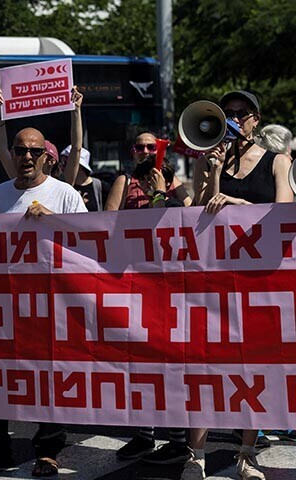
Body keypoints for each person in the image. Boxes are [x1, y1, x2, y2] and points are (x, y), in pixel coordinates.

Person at [0, 127, 86, 477]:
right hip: (6, 300)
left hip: (50, 301)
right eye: (20, 151)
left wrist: (54, 220)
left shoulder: (63, 193)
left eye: (34, 151)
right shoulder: (1, 193)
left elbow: (88, 240)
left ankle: (48, 450)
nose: (26, 157)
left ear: (47, 156)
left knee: (48, 376)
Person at [184, 90, 292, 480]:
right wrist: (212, 175)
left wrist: (238, 205)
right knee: (205, 365)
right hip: (213, 280)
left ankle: (247, 454)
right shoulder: (208, 160)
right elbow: (194, 217)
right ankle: (195, 454)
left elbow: (283, 212)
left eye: (240, 114)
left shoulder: (278, 161)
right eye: (225, 113)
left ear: (255, 120)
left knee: (255, 366)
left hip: (260, 280)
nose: (232, 119)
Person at [105, 132, 192, 210]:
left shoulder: (172, 180)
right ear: (133, 152)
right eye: (139, 148)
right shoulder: (124, 181)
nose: (145, 151)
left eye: (151, 147)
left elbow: (190, 209)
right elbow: (109, 218)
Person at [61, 146, 107, 211]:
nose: (61, 167)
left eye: (65, 163)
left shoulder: (99, 186)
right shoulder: (63, 186)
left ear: (79, 166)